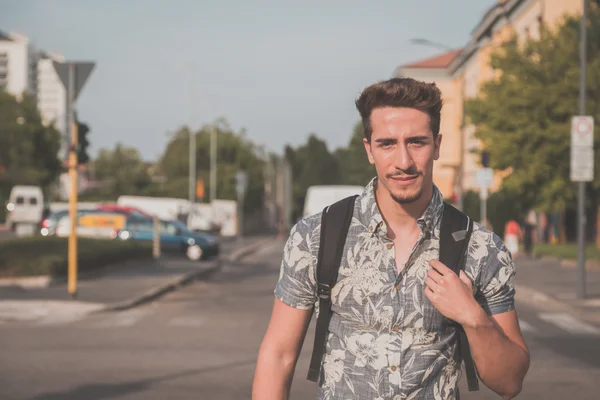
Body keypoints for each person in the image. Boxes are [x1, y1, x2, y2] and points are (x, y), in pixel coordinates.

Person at [252, 78, 530, 400]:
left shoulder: (481, 248)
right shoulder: (316, 237)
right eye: (387, 144)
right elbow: (278, 356)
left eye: (416, 142)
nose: (403, 162)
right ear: (369, 149)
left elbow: (510, 382)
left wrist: (472, 316)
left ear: (437, 146)